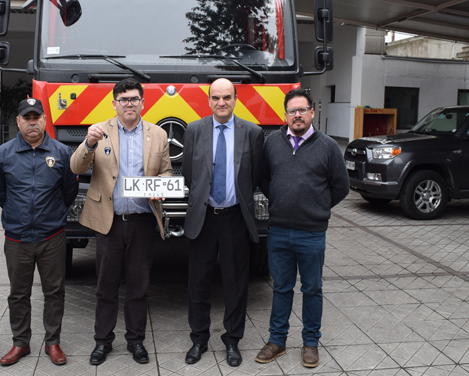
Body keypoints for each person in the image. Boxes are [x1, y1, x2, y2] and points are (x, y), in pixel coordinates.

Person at [70, 78, 172, 366]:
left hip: (141, 221)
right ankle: (102, 342)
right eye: (123, 99)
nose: (129, 104)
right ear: (114, 103)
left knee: (139, 286)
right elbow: (76, 167)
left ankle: (136, 341)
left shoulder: (158, 134)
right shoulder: (100, 131)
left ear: (143, 102)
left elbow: (165, 172)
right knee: (106, 286)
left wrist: (162, 187)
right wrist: (88, 143)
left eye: (134, 99)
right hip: (109, 222)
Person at [254, 88, 349, 367]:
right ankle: (277, 341)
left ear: (312, 112)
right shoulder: (272, 143)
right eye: (292, 111)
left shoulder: (328, 146)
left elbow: (340, 186)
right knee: (281, 287)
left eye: (302, 110)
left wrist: (316, 206)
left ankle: (310, 343)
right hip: (279, 231)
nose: (297, 115)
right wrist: (282, 200)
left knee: (312, 289)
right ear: (285, 115)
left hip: (312, 232)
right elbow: (263, 177)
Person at [181, 78, 264, 367]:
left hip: (235, 219)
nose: (221, 103)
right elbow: (191, 176)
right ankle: (199, 339)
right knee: (198, 283)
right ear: (208, 100)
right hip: (203, 218)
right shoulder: (194, 130)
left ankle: (232, 341)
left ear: (235, 99)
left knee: (235, 284)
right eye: (216, 98)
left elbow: (255, 177)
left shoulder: (252, 132)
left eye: (227, 97)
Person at [0, 98, 79, 367]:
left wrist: (50, 215)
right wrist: (18, 214)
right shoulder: (4, 153)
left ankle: (53, 342)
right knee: (18, 294)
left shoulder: (62, 153)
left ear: (44, 120)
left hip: (51, 237)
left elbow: (69, 192)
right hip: (17, 238)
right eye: (26, 118)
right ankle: (21, 343)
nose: (32, 122)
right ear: (18, 121)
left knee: (54, 292)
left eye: (36, 117)